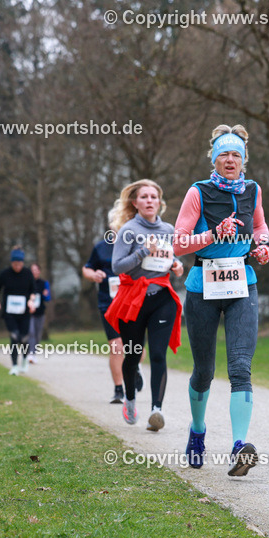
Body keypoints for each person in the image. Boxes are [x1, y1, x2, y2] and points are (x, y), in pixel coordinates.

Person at [174, 124, 269, 477]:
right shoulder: (198, 192)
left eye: (236, 155)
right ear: (213, 159)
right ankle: (198, 432)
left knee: (240, 368)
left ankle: (238, 447)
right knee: (204, 372)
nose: (230, 160)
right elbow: (178, 244)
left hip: (242, 284)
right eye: (223, 155)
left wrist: (263, 246)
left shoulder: (252, 190)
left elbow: (260, 227)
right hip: (202, 286)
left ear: (244, 160)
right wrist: (213, 233)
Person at [105, 179, 184, 431]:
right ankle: (129, 399)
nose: (150, 201)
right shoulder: (128, 230)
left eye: (154, 197)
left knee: (159, 354)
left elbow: (172, 261)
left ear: (160, 202)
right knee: (134, 354)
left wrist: (177, 267)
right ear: (135, 202)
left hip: (162, 298)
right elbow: (117, 266)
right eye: (144, 197)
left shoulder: (170, 230)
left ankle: (156, 410)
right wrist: (142, 252)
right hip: (133, 301)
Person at [83, 234, 143, 403]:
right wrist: (93, 275)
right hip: (108, 304)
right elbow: (86, 268)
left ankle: (135, 365)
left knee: (139, 348)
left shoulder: (138, 243)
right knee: (116, 346)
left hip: (133, 303)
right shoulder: (101, 247)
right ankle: (118, 389)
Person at [0, 247, 38, 375]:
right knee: (14, 336)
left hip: (24, 312)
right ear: (11, 263)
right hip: (10, 312)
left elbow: (33, 290)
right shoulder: (5, 274)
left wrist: (31, 301)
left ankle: (24, 359)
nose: (17, 266)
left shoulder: (27, 274)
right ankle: (14, 366)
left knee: (23, 338)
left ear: (23, 263)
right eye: (15, 264)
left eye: (20, 264)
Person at [27, 263, 50, 363]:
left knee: (37, 335)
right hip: (29, 313)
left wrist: (46, 295)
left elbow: (48, 298)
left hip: (40, 312)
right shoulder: (27, 283)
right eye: (32, 270)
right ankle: (30, 354)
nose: (34, 272)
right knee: (31, 333)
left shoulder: (44, 283)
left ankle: (33, 353)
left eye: (36, 270)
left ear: (39, 271)